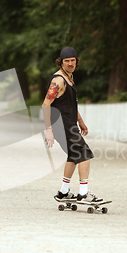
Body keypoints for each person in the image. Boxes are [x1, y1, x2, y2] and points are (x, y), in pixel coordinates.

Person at [42, 47, 99, 202]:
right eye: (66, 61)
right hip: (61, 124)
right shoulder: (58, 80)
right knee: (84, 154)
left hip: (69, 123)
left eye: (72, 60)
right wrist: (49, 130)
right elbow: (46, 104)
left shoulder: (69, 78)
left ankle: (63, 191)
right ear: (61, 62)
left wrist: (80, 121)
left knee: (74, 156)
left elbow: (70, 104)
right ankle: (83, 193)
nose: (70, 63)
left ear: (76, 61)